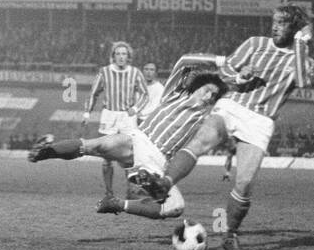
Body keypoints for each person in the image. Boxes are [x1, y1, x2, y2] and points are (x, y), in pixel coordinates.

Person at [132, 6, 314, 250]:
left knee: (245, 183)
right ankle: (164, 184)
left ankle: (230, 234)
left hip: (261, 120)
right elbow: (226, 71)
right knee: (199, 142)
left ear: (294, 28)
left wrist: (303, 41)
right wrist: (241, 77)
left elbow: (303, 81)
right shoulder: (254, 44)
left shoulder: (301, 57)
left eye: (282, 23)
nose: (274, 27)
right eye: (274, 21)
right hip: (233, 105)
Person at [30, 60, 227, 221]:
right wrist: (218, 61)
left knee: (175, 207)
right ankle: (46, 151)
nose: (209, 96)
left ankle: (118, 203)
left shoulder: (207, 117)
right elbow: (185, 60)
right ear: (197, 87)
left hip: (159, 162)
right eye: (207, 90)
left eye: (214, 95)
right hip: (138, 139)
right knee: (97, 145)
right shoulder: (174, 93)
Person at [84, 42, 149, 198]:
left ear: (128, 57)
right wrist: (87, 113)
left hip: (127, 118)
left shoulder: (135, 73)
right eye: (118, 54)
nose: (121, 57)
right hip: (109, 116)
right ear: (113, 56)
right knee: (107, 158)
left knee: (129, 157)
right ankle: (109, 192)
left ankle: (131, 191)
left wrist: (136, 108)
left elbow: (145, 94)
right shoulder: (104, 72)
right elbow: (93, 93)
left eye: (124, 54)